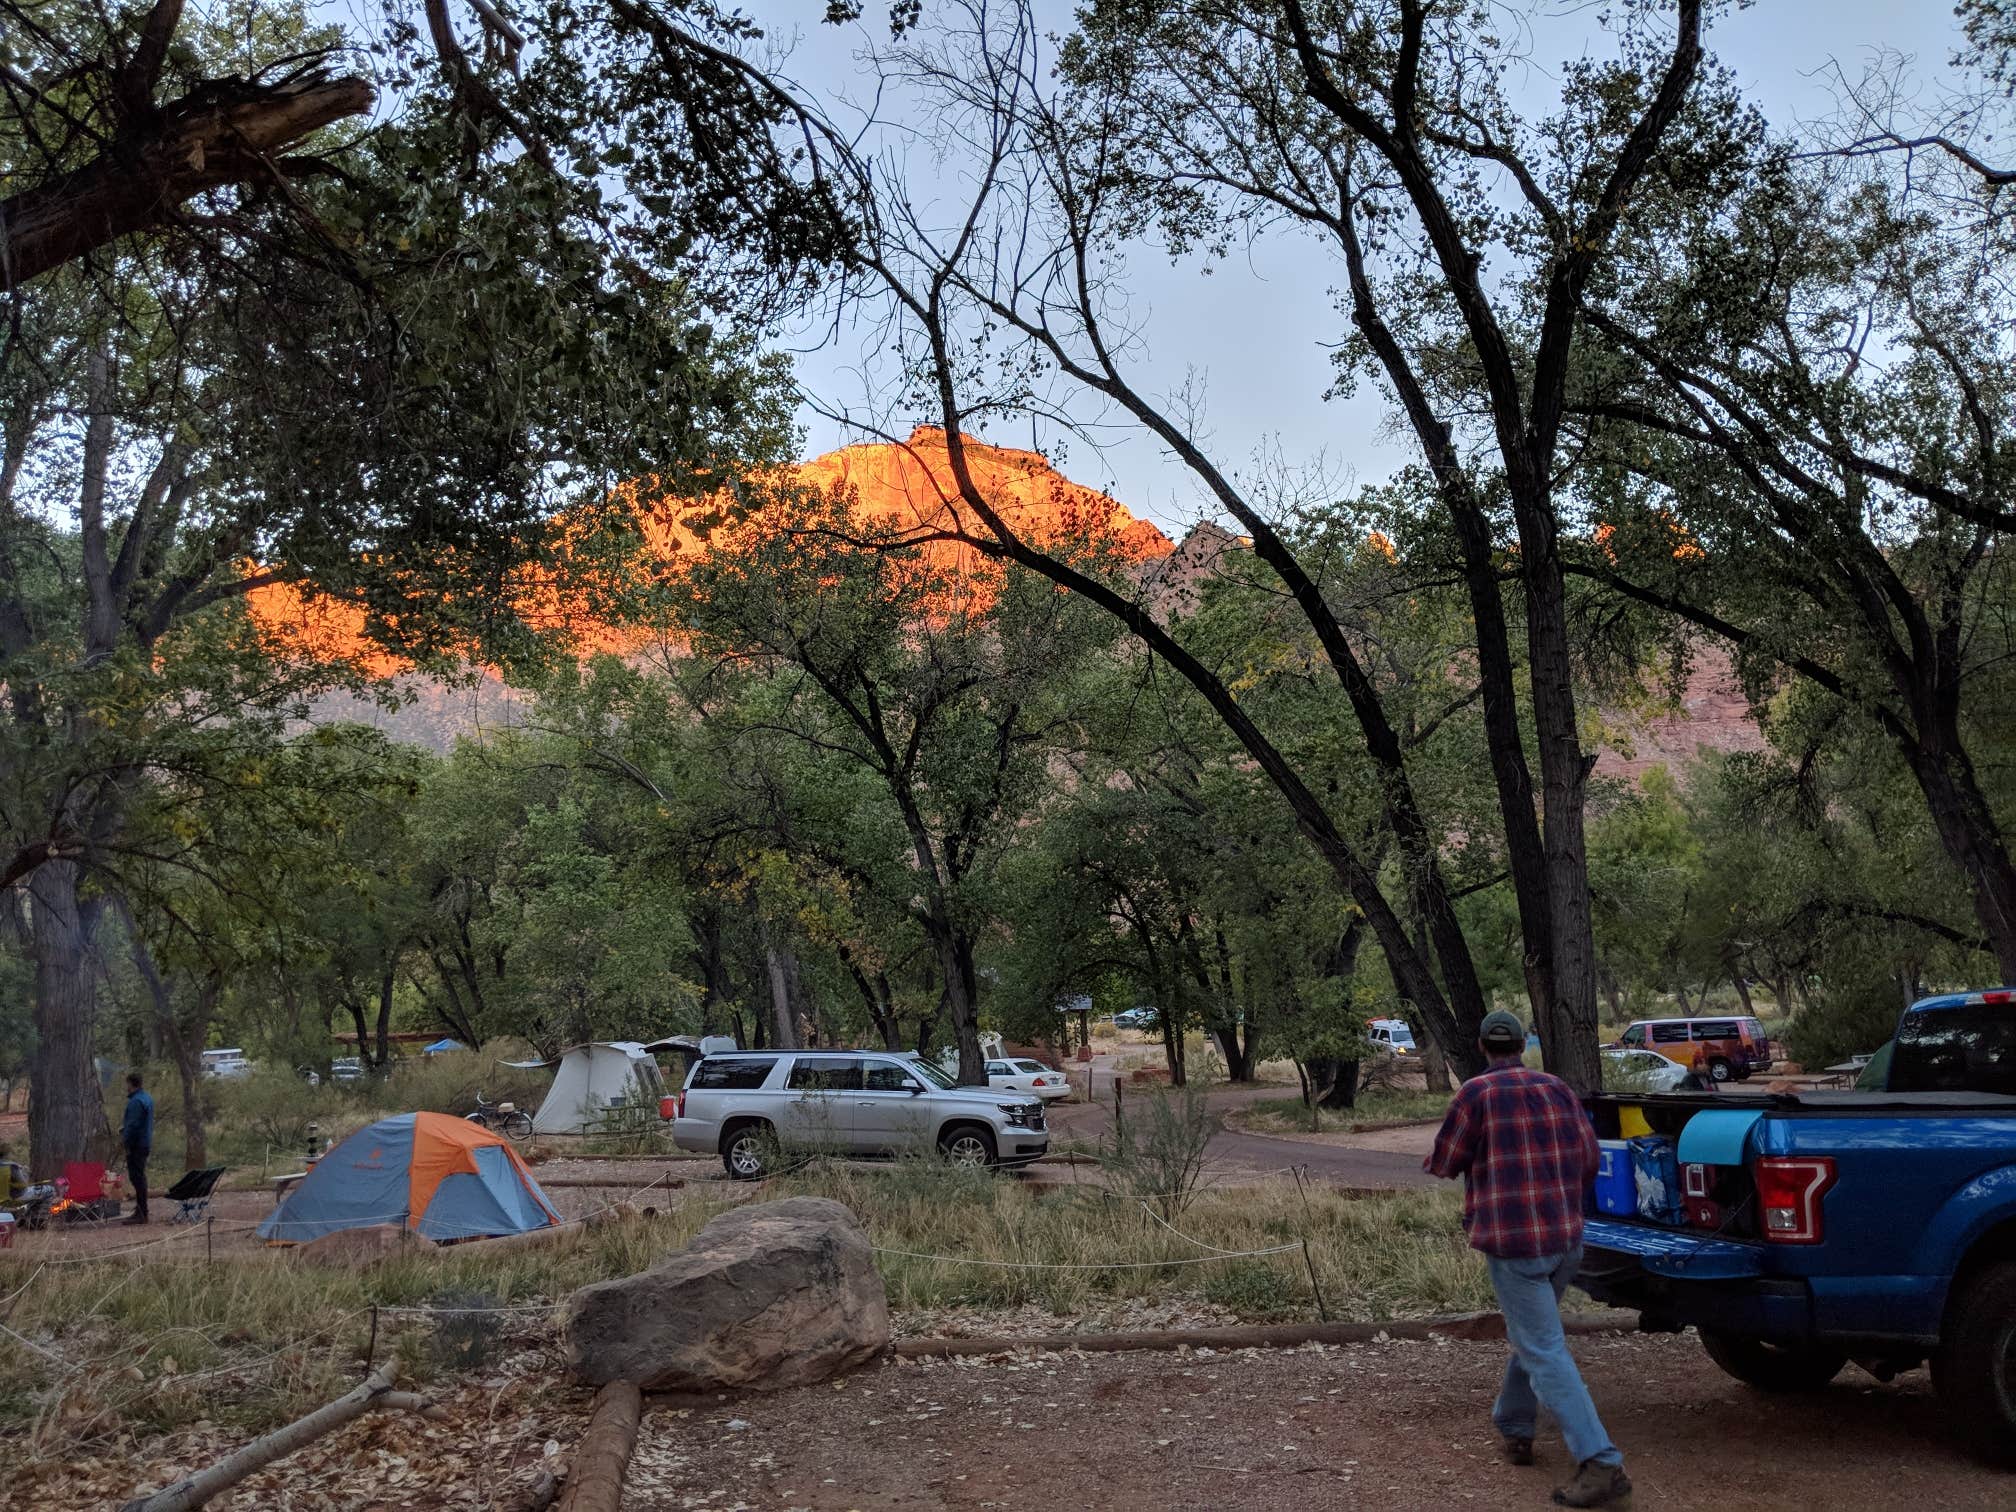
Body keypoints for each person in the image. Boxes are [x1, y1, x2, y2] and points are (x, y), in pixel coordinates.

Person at [1425, 1010, 1630, 1509]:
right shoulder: (1556, 1088)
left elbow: (1445, 1163)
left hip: (1514, 1245)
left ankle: (1601, 1461)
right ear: (1521, 1044)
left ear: (1481, 1046)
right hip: (1565, 1240)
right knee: (1535, 1336)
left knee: (1542, 1347)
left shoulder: (1475, 1094)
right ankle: (1515, 1425)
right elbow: (1588, 1160)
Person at [121, 1071, 153, 1225]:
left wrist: (125, 1140)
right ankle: (141, 1210)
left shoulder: (136, 1101)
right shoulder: (146, 1098)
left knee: (137, 1178)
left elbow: (133, 1125)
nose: (126, 1087)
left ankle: (142, 1213)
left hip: (136, 1144)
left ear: (131, 1084)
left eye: (127, 1084)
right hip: (144, 1142)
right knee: (139, 1177)